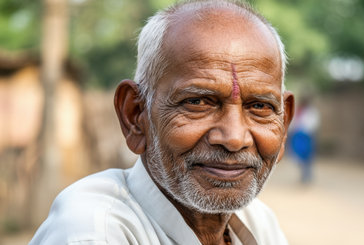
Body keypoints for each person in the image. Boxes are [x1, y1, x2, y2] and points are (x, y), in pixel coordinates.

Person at [30, 0, 295, 244]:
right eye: (198, 102)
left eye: (260, 106)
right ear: (135, 116)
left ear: (284, 125)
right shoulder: (92, 231)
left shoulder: (259, 223)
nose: (235, 138)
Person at [289, 96, 320, 183]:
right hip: (298, 136)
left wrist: (305, 130)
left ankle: (307, 175)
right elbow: (293, 122)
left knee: (308, 157)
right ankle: (303, 175)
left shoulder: (312, 112)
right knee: (299, 157)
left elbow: (313, 124)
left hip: (308, 137)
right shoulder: (298, 111)